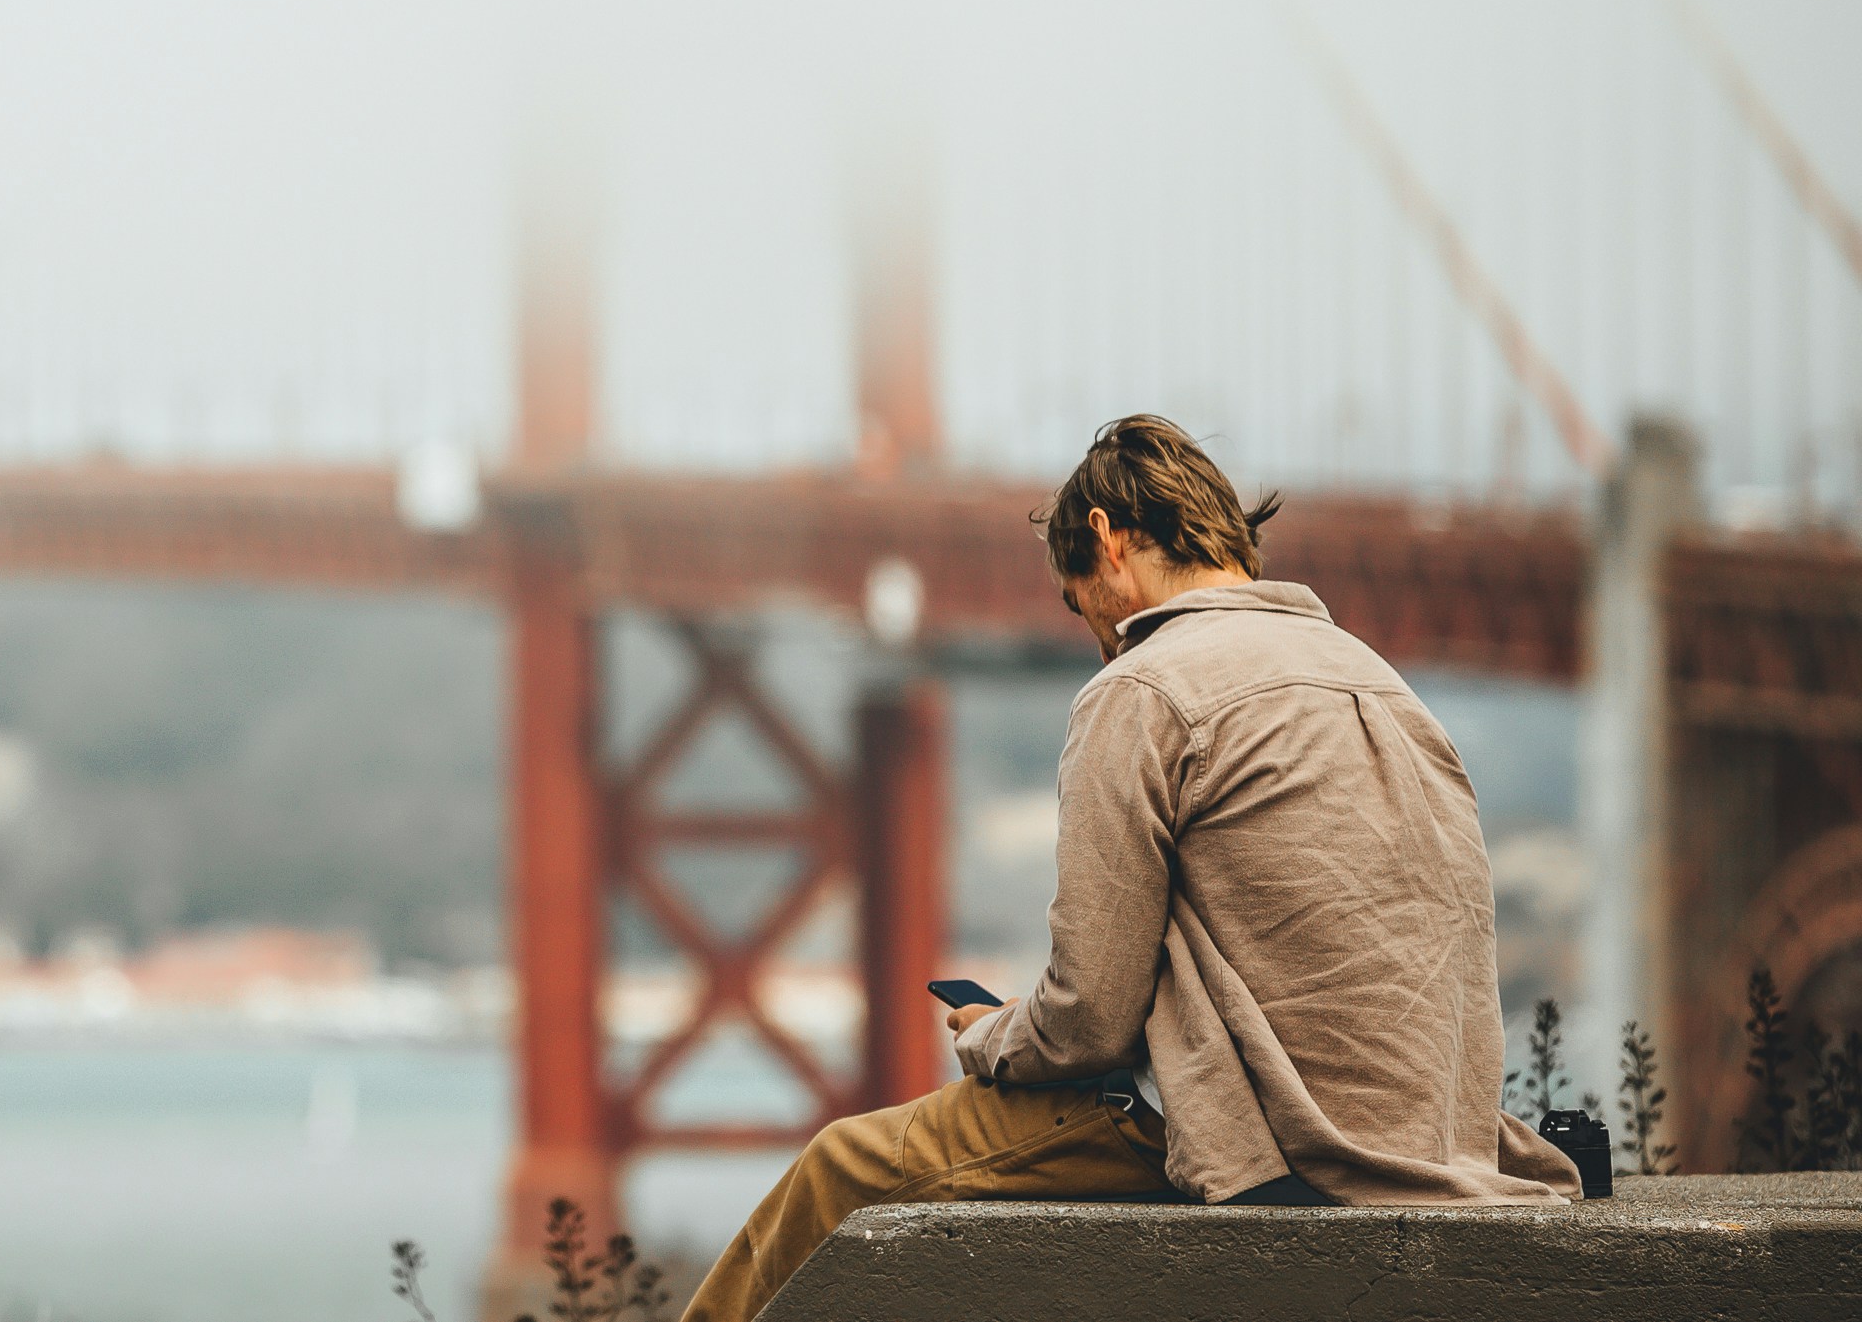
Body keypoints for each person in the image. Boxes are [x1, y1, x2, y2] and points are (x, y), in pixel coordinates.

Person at [675, 413, 1577, 1322]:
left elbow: (1092, 1022)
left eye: (1078, 602)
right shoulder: (1379, 679)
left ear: (1105, 540)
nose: (1097, 636)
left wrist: (994, 1034)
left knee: (841, 1165)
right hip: (1430, 1139)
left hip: (1268, 1133)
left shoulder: (1139, 689)